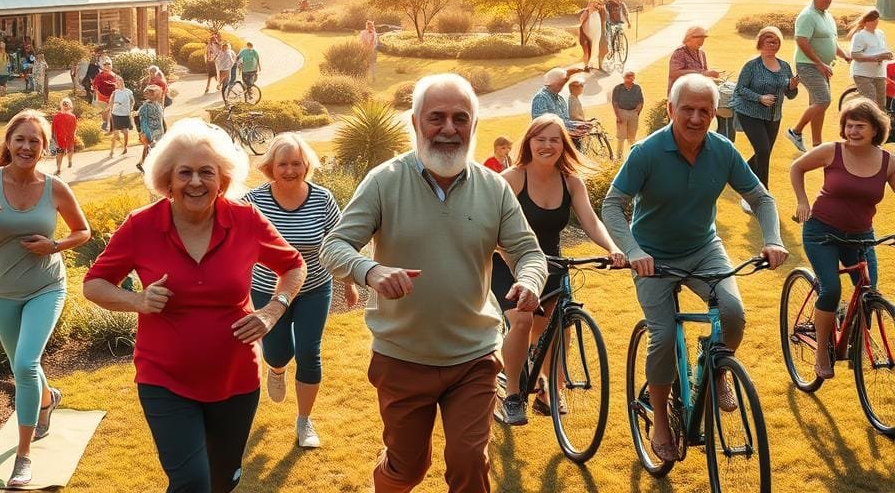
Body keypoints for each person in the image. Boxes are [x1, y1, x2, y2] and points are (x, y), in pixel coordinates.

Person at [320, 74, 547, 492]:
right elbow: (334, 246)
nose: (448, 128)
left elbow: (528, 253)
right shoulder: (384, 181)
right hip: (402, 356)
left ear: (474, 125)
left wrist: (530, 279)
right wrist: (371, 271)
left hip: (473, 356)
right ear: (415, 121)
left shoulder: (493, 188)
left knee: (468, 462)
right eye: (436, 117)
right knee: (407, 469)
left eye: (460, 118)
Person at [83, 119, 305, 492]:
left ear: (223, 180)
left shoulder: (246, 220)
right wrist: (137, 300)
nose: (196, 182)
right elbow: (94, 284)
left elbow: (293, 265)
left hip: (236, 379)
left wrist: (272, 310)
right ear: (167, 180)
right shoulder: (142, 225)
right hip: (164, 379)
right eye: (185, 173)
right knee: (190, 482)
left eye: (207, 172)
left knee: (222, 481)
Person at [601, 74, 787, 463]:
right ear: (671, 109)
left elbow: (762, 199)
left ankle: (715, 367)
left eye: (705, 110)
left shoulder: (722, 151)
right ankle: (663, 424)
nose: (697, 118)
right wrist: (633, 249)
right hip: (652, 256)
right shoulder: (646, 153)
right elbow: (612, 205)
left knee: (733, 314)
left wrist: (772, 239)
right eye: (687, 109)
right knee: (664, 336)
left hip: (704, 249)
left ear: (714, 113)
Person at [0, 110, 92, 488]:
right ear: (8, 142)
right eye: (21, 139)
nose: (27, 146)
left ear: (44, 147)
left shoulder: (55, 188)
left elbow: (83, 230)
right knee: (23, 366)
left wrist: (55, 245)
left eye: (35, 140)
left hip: (45, 288)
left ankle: (23, 457)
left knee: (25, 363)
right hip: (1, 291)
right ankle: (48, 399)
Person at [495, 115, 625, 424]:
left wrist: (613, 248)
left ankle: (549, 389)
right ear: (528, 142)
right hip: (508, 263)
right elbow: (492, 226)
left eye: (555, 140)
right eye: (540, 139)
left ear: (563, 145)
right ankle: (512, 395)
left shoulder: (570, 181)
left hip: (552, 263)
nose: (547, 145)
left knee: (557, 329)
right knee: (523, 321)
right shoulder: (512, 179)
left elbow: (590, 221)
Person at [242, 133, 355, 448]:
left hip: (314, 288)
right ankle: (276, 369)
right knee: (278, 351)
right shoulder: (253, 200)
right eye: (283, 164)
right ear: (270, 167)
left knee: (309, 351)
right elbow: (228, 236)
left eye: (296, 163)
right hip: (267, 289)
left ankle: (304, 421)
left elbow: (339, 242)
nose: (290, 170)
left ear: (306, 165)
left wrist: (348, 283)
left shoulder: (322, 198)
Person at [790, 98, 895, 379]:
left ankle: (846, 332)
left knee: (869, 293)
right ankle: (823, 352)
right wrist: (802, 202)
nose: (853, 131)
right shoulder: (831, 151)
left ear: (876, 130)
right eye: (849, 126)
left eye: (860, 126)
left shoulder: (888, 162)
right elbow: (796, 168)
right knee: (831, 290)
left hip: (861, 238)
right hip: (821, 232)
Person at [731, 25, 799, 205]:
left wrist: (792, 87)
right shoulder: (752, 66)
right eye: (769, 42)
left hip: (773, 117)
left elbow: (791, 95)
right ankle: (763, 194)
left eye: (776, 42)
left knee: (763, 152)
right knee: (762, 150)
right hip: (749, 113)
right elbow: (739, 90)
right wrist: (759, 98)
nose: (773, 45)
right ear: (760, 44)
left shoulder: (784, 66)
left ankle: (739, 172)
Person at [788, 0, 851, 152]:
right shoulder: (807, 16)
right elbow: (801, 41)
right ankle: (795, 131)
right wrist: (819, 63)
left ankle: (817, 145)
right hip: (808, 65)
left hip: (821, 67)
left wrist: (844, 55)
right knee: (823, 100)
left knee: (818, 104)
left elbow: (831, 42)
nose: (829, 0)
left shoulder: (827, 15)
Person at [849, 9, 892, 107]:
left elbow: (883, 49)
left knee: (881, 104)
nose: (875, 23)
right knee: (871, 102)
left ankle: (881, 122)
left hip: (879, 73)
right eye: (872, 21)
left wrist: (887, 55)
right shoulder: (859, 36)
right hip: (863, 74)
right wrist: (876, 57)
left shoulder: (880, 34)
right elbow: (855, 55)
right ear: (865, 22)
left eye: (876, 20)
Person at [531, 67, 590, 134]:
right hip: (548, 139)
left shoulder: (560, 99)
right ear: (552, 82)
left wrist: (580, 125)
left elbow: (565, 121)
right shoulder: (541, 98)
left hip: (562, 136)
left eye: (563, 83)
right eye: (560, 83)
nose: (562, 86)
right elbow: (540, 125)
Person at [666, 25, 719, 94]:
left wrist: (711, 74)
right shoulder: (680, 52)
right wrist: (700, 73)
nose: (702, 42)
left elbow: (705, 71)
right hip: (680, 93)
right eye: (699, 38)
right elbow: (674, 73)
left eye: (703, 39)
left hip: (697, 92)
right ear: (689, 38)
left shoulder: (701, 53)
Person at [611, 69, 645, 158]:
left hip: (633, 112)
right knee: (621, 137)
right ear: (624, 78)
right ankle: (618, 156)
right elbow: (614, 102)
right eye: (627, 77)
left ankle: (632, 155)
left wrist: (637, 111)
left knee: (632, 137)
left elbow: (641, 101)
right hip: (621, 112)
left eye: (631, 76)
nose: (630, 78)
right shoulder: (618, 88)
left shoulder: (637, 88)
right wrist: (618, 115)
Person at [136, 84, 166, 173]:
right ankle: (148, 165)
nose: (145, 95)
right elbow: (139, 114)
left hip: (156, 130)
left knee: (149, 146)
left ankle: (142, 163)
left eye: (148, 94)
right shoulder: (148, 106)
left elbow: (160, 118)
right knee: (151, 147)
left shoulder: (157, 105)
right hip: (150, 131)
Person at [577, 0, 608, 71]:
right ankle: (586, 66)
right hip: (586, 34)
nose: (595, 4)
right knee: (587, 50)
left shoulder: (600, 11)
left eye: (597, 2)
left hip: (596, 34)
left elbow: (603, 21)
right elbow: (581, 21)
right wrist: (589, 11)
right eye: (593, 2)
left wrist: (604, 30)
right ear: (589, 3)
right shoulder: (586, 11)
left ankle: (594, 64)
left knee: (595, 48)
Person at [108, 75, 135, 157]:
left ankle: (125, 148)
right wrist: (115, 104)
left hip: (125, 114)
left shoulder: (128, 91)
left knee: (126, 132)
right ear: (116, 83)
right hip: (116, 114)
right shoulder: (115, 92)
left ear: (123, 81)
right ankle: (112, 150)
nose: (120, 82)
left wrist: (131, 109)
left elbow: (132, 101)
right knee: (116, 135)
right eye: (118, 81)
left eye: (121, 80)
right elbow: (110, 103)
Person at [51, 97, 78, 176]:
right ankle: (58, 168)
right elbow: (53, 128)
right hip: (59, 138)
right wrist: (52, 137)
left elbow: (74, 127)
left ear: (70, 106)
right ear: (61, 106)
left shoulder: (72, 117)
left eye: (67, 104)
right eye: (64, 104)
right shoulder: (57, 116)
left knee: (70, 150)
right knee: (60, 153)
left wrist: (74, 135)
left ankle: (69, 160)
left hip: (69, 137)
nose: (65, 106)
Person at [92, 60, 117, 132]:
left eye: (109, 64)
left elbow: (117, 85)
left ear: (111, 65)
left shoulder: (114, 75)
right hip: (102, 96)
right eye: (105, 64)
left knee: (111, 111)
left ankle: (112, 126)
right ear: (103, 66)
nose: (107, 66)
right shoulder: (99, 75)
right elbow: (95, 85)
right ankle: (105, 124)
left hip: (111, 96)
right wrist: (97, 92)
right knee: (104, 111)